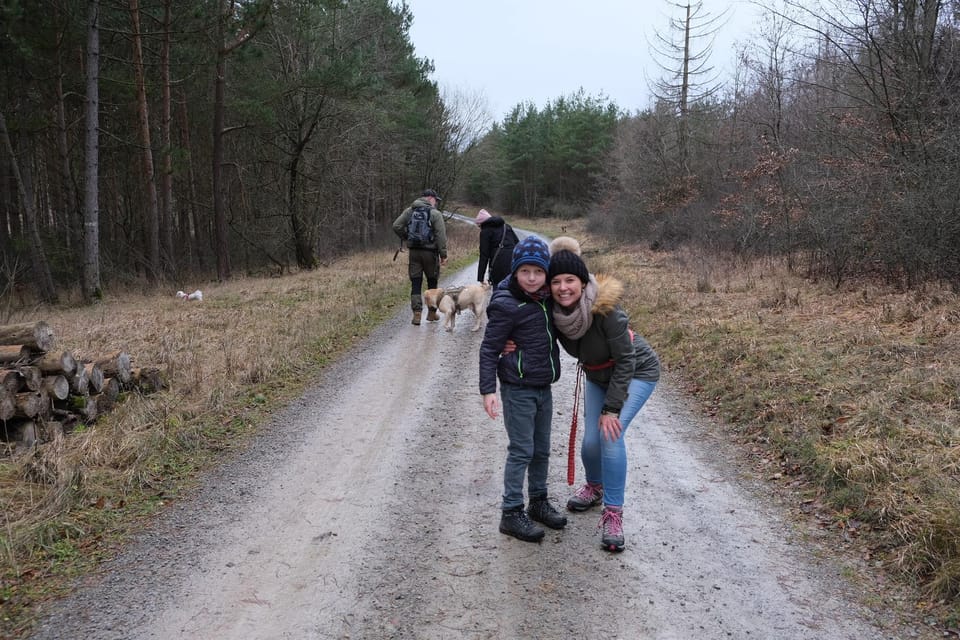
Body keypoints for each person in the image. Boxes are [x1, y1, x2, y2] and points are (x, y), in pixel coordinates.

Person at [547, 237, 660, 553]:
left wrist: (612, 409)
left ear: (583, 283)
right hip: (598, 375)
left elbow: (627, 360)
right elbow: (527, 323)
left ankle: (614, 513)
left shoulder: (606, 310)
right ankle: (594, 487)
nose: (563, 287)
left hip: (636, 371)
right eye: (556, 281)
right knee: (590, 442)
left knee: (610, 434)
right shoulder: (555, 314)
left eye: (570, 280)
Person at [479, 235, 567, 543]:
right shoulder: (505, 304)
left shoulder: (547, 298)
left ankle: (538, 500)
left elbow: (579, 290)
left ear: (546, 273)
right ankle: (511, 511)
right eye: (525, 271)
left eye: (538, 272)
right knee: (522, 450)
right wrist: (488, 390)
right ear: (515, 271)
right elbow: (489, 349)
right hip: (517, 390)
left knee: (542, 449)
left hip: (544, 386)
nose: (531, 278)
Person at [392, 189, 448, 325]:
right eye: (436, 200)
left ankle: (417, 314)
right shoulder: (435, 214)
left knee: (416, 282)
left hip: (414, 253)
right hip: (430, 253)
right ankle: (431, 313)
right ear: (430, 198)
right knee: (432, 282)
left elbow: (396, 226)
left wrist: (407, 237)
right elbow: (441, 235)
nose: (436, 203)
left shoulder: (409, 211)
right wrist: (443, 254)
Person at [475, 208, 519, 286]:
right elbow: (518, 245)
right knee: (513, 289)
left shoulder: (485, 232)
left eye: (479, 226)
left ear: (482, 223)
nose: (480, 228)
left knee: (498, 291)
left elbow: (484, 255)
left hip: (497, 266)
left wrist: (480, 278)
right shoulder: (507, 227)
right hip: (512, 264)